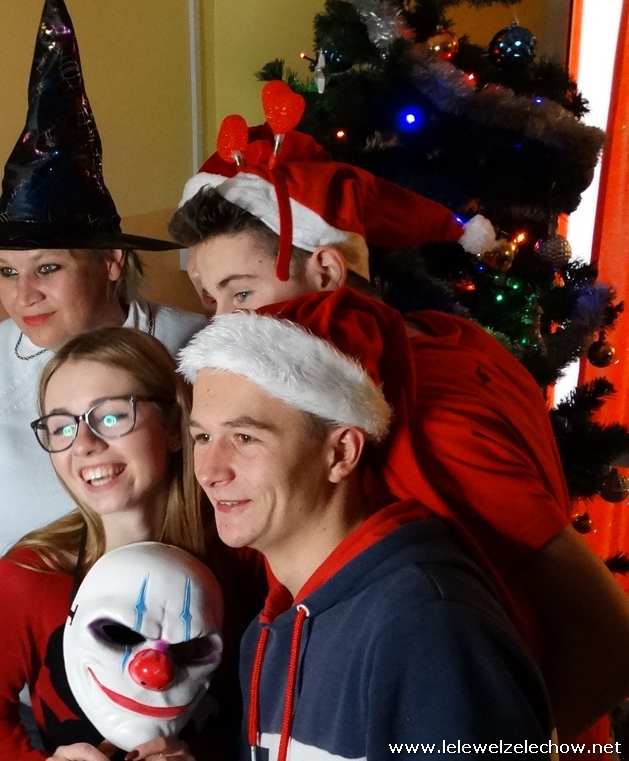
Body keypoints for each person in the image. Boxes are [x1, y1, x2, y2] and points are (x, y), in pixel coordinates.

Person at [168, 98, 629, 746]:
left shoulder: (431, 413)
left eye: (242, 294)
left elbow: (604, 636)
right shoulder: (421, 344)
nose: (224, 325)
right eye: (211, 301)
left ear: (327, 272)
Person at [0, 0, 205, 759]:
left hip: (183, 693)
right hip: (24, 714)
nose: (22, 295)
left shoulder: (194, 352)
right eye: (6, 272)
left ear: (111, 262)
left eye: (47, 268)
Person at [179, 299, 553, 760]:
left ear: (341, 453)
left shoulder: (427, 627)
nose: (210, 471)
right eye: (202, 437)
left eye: (245, 437)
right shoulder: (267, 630)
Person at [0, 328, 207, 761]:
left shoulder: (240, 558)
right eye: (63, 427)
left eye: (112, 417)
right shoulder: (30, 575)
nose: (84, 445)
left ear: (173, 427)